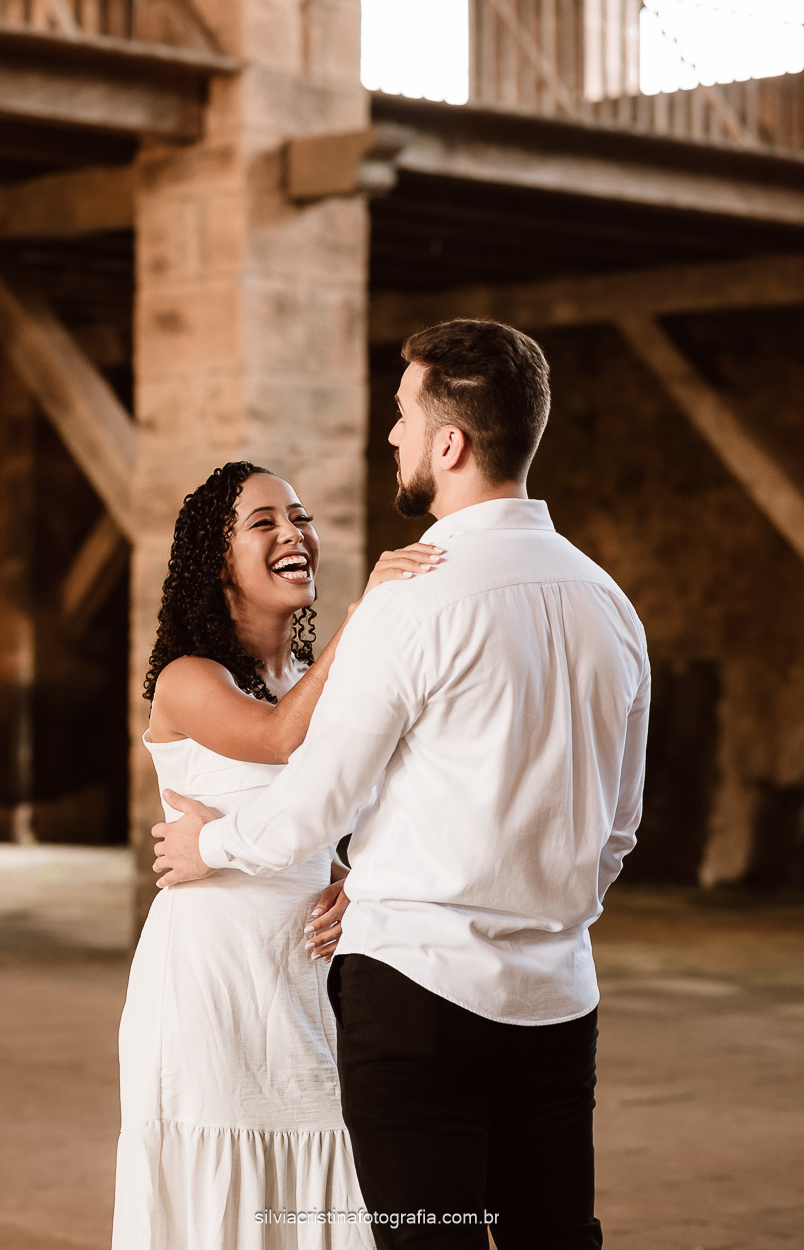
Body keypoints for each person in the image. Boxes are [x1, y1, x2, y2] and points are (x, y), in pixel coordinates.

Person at [153, 320, 651, 1249]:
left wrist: (210, 843)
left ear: (450, 443)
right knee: (556, 1235)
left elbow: (317, 805)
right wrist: (543, 907)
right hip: (560, 994)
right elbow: (618, 828)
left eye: (401, 416)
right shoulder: (608, 602)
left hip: (416, 994)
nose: (390, 436)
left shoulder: (414, 601)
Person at [111, 460, 441, 1250]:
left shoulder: (306, 676)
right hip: (211, 972)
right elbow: (275, 738)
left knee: (328, 1153)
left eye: (300, 517)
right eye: (264, 522)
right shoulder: (189, 680)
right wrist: (363, 623)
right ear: (216, 559)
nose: (294, 534)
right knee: (220, 1177)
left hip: (305, 969)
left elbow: (325, 813)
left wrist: (346, 879)